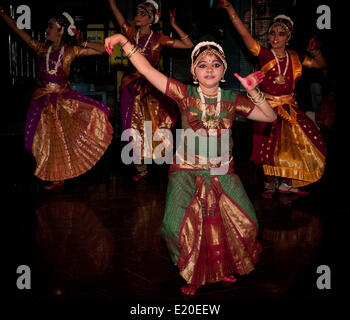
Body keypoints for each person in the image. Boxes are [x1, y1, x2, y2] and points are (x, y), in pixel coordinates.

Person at [105, 33, 277, 294]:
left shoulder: (231, 99)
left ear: (224, 71)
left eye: (216, 64)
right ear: (194, 72)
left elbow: (269, 116)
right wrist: (122, 40)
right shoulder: (183, 92)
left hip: (221, 169)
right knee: (176, 227)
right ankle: (192, 272)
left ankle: (225, 267)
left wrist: (253, 92)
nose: (210, 68)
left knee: (245, 223)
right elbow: (147, 69)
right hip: (186, 169)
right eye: (203, 64)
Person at [219, 0, 327, 198]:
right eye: (272, 33)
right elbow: (244, 35)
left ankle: (287, 183)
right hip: (268, 108)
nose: (275, 37)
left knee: (292, 147)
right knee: (269, 147)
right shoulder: (265, 54)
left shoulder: (295, 58)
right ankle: (270, 184)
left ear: (288, 37)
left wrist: (314, 51)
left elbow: (321, 64)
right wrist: (230, 9)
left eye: (280, 34)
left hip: (289, 109)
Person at [0, 8, 114, 190]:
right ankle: (53, 174)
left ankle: (58, 177)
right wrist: (3, 14)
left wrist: (83, 41)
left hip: (62, 100)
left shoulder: (70, 51)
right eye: (48, 26)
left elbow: (104, 50)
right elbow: (17, 30)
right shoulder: (41, 48)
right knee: (39, 141)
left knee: (60, 139)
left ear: (61, 31)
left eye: (51, 27)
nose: (47, 30)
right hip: (41, 100)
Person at [108, 0, 193, 181]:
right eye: (137, 13)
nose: (137, 16)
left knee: (158, 125)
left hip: (151, 88)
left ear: (151, 19)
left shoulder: (159, 38)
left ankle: (162, 160)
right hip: (131, 87)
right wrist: (113, 4)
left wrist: (174, 25)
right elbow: (116, 11)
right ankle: (141, 167)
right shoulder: (130, 34)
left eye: (142, 14)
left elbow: (188, 45)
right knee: (131, 127)